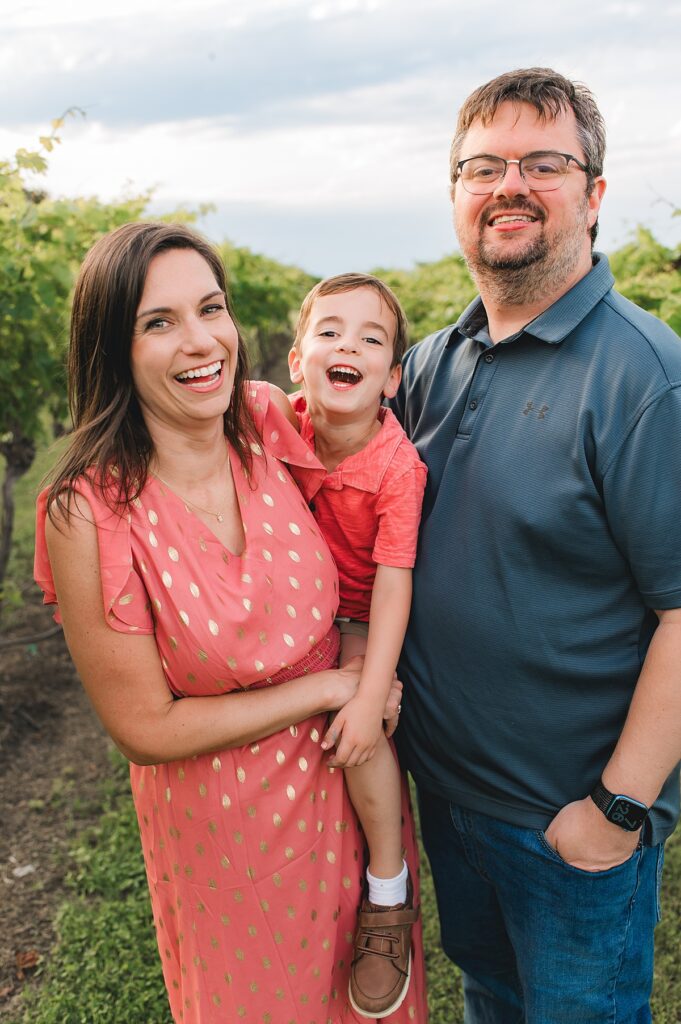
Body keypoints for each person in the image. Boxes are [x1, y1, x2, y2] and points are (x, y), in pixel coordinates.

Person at [34, 222, 428, 1024]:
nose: (199, 340)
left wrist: (369, 671)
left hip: (350, 790)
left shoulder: (264, 425)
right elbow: (145, 728)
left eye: (210, 308)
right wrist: (336, 686)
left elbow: (368, 463)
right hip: (227, 838)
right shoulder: (90, 511)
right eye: (159, 322)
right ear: (113, 346)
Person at [390, 67, 681, 1023]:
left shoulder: (643, 378)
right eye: (482, 167)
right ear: (455, 197)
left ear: (592, 195)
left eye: (543, 163)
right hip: (450, 802)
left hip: (568, 826)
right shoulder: (431, 362)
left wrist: (616, 811)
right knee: (491, 1000)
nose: (508, 184)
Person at [284, 273, 427, 1018]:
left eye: (370, 340)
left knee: (362, 736)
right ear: (298, 358)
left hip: (355, 616)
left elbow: (394, 581)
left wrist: (372, 689)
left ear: (392, 378)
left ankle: (386, 891)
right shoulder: (280, 425)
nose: (348, 346)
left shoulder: (398, 470)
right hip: (286, 599)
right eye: (329, 332)